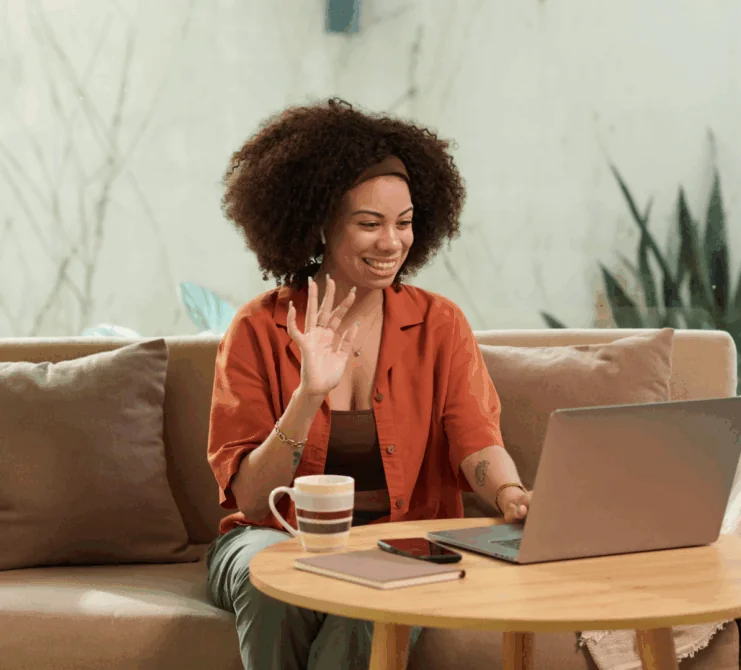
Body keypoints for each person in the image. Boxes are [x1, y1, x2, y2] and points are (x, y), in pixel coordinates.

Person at [205, 98, 533, 670]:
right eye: (369, 223)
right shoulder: (258, 329)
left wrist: (508, 493)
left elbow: (476, 440)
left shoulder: (440, 323)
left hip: (398, 542)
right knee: (270, 582)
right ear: (319, 225)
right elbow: (255, 502)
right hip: (271, 539)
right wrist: (307, 396)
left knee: (373, 591)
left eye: (404, 223)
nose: (391, 243)